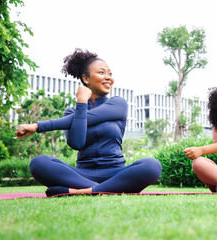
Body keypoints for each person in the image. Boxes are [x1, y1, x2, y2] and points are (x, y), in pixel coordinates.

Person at [15, 49, 162, 197]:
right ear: (86, 78)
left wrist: (37, 126)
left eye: (110, 74)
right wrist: (81, 103)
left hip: (116, 172)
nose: (108, 78)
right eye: (102, 72)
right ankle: (106, 189)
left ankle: (85, 191)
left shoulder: (118, 104)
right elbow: (77, 144)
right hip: (81, 175)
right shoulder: (71, 112)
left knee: (152, 166)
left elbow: (91, 117)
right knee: (38, 163)